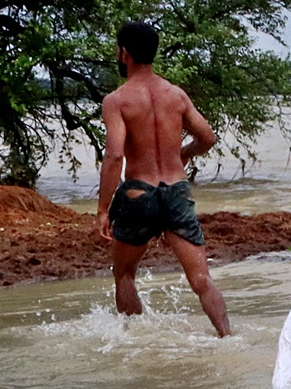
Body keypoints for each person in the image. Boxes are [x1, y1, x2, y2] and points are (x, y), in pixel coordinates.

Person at [96, 20, 230, 337]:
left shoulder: (117, 100)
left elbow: (115, 155)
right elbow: (208, 138)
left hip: (138, 194)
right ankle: (227, 337)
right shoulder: (176, 95)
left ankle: (136, 342)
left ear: (124, 53)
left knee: (125, 274)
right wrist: (182, 154)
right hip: (176, 191)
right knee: (201, 280)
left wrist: (103, 209)